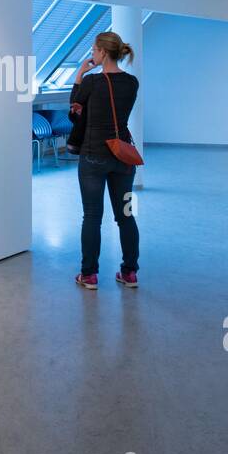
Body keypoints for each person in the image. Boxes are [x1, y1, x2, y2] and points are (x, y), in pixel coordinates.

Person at [69, 31, 140, 291]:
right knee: (126, 215)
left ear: (101, 51)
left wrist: (79, 75)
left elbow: (74, 111)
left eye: (93, 51)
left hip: (93, 157)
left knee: (92, 217)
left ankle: (89, 275)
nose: (91, 55)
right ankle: (130, 273)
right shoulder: (132, 83)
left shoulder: (92, 82)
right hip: (123, 158)